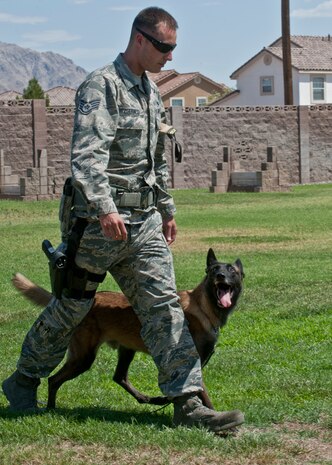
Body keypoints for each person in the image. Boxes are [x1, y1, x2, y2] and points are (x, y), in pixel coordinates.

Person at [2, 7, 244, 433]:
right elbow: (86, 157)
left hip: (144, 222)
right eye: (165, 47)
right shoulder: (102, 86)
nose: (170, 56)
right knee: (70, 310)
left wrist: (166, 209)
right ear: (139, 39)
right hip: (98, 224)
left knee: (165, 308)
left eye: (173, 48)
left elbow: (155, 161)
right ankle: (22, 382)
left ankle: (188, 404)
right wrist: (104, 206)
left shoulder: (150, 92)